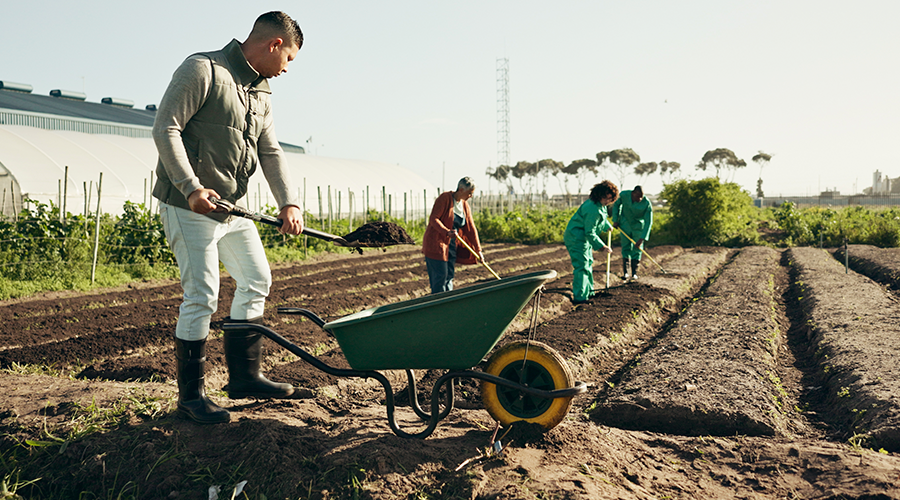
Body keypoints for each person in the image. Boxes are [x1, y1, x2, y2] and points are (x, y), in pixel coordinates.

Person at [152, 12, 305, 424]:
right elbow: (165, 127)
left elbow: (270, 150)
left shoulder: (261, 92)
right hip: (190, 204)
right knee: (201, 294)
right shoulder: (203, 69)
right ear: (274, 44)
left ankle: (244, 377)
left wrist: (289, 202)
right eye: (288, 58)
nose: (287, 68)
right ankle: (191, 397)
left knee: (257, 278)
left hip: (232, 208)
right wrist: (189, 186)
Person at [422, 177, 484, 294]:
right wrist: (446, 231)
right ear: (461, 190)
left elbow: (470, 228)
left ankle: (448, 302)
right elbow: (434, 219)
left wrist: (478, 250)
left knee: (449, 275)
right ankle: (438, 304)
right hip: (437, 243)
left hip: (451, 245)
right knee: (440, 277)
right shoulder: (444, 199)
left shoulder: (464, 205)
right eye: (469, 193)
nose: (470, 196)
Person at [563, 180, 619, 305]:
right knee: (582, 266)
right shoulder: (592, 208)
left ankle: (589, 292)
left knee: (588, 262)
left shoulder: (600, 206)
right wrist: (602, 246)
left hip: (584, 238)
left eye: (610, 199)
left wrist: (607, 226)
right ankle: (580, 297)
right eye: (605, 198)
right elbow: (590, 231)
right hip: (576, 237)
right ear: (599, 194)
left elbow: (601, 219)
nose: (607, 201)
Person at [611, 185, 653, 281]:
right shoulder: (624, 195)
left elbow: (648, 222)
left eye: (641, 196)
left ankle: (634, 273)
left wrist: (642, 238)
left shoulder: (646, 203)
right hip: (625, 224)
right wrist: (615, 219)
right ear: (633, 194)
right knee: (625, 247)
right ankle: (625, 273)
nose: (639, 199)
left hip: (638, 227)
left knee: (637, 248)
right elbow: (616, 205)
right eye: (637, 196)